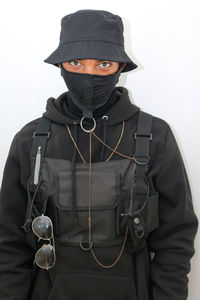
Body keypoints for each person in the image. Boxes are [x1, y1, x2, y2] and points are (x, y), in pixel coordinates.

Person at [0, 9, 198, 300]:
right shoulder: (30, 140)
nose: (89, 75)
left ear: (119, 67)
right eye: (76, 62)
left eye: (103, 64)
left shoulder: (155, 136)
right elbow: (9, 242)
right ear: (61, 65)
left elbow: (176, 239)